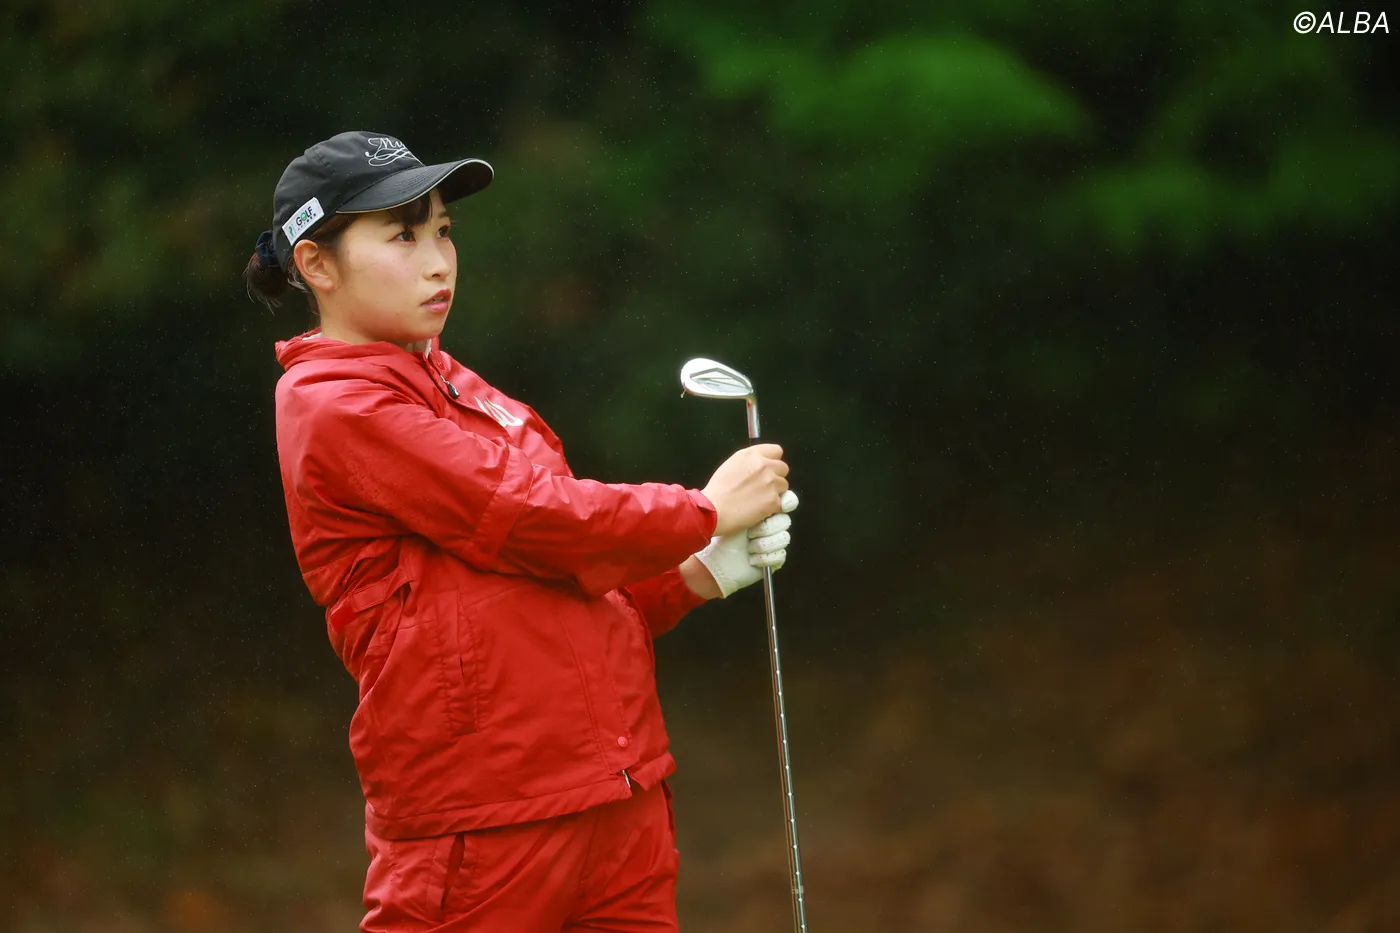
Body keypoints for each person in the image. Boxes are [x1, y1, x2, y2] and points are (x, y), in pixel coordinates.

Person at [243, 131, 799, 932]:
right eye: (402, 236)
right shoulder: (334, 404)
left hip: (618, 798)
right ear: (317, 266)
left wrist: (694, 572)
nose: (438, 261)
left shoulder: (465, 388)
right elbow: (537, 515)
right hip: (483, 823)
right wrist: (701, 512)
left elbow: (559, 577)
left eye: (443, 231)